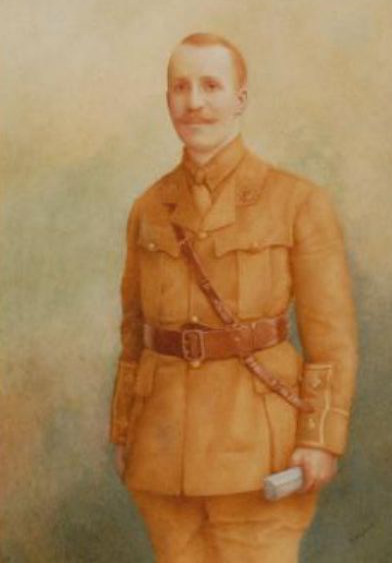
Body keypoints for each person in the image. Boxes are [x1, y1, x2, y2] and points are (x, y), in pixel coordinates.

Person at [108, 32, 358, 562]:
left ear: (240, 98)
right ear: (167, 100)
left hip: (259, 453)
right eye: (180, 87)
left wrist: (319, 439)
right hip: (163, 454)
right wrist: (124, 432)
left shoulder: (297, 202)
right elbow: (134, 332)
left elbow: (331, 336)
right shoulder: (149, 208)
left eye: (211, 86)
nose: (194, 102)